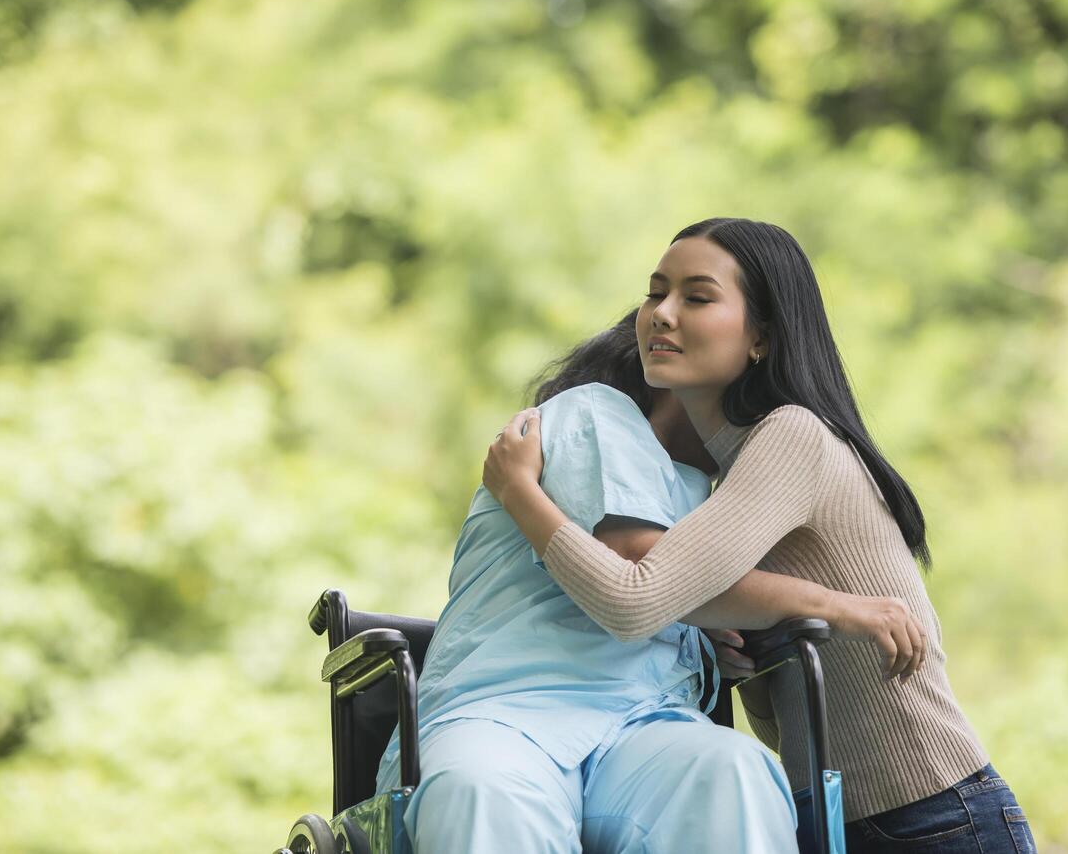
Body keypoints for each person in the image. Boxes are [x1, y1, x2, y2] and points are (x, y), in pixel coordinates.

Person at [483, 217, 1039, 854]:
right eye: (654, 292)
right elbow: (781, 726)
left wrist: (519, 492)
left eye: (696, 296)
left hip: (933, 818)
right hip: (832, 821)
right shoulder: (726, 479)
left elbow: (634, 598)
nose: (662, 314)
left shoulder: (791, 437)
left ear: (761, 339)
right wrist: (741, 657)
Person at [375, 310, 927, 853]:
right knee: (482, 792)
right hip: (507, 710)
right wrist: (833, 605)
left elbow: (670, 595)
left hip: (641, 724)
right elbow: (642, 568)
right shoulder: (595, 413)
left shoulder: (702, 491)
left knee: (732, 771)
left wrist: (707, 644)